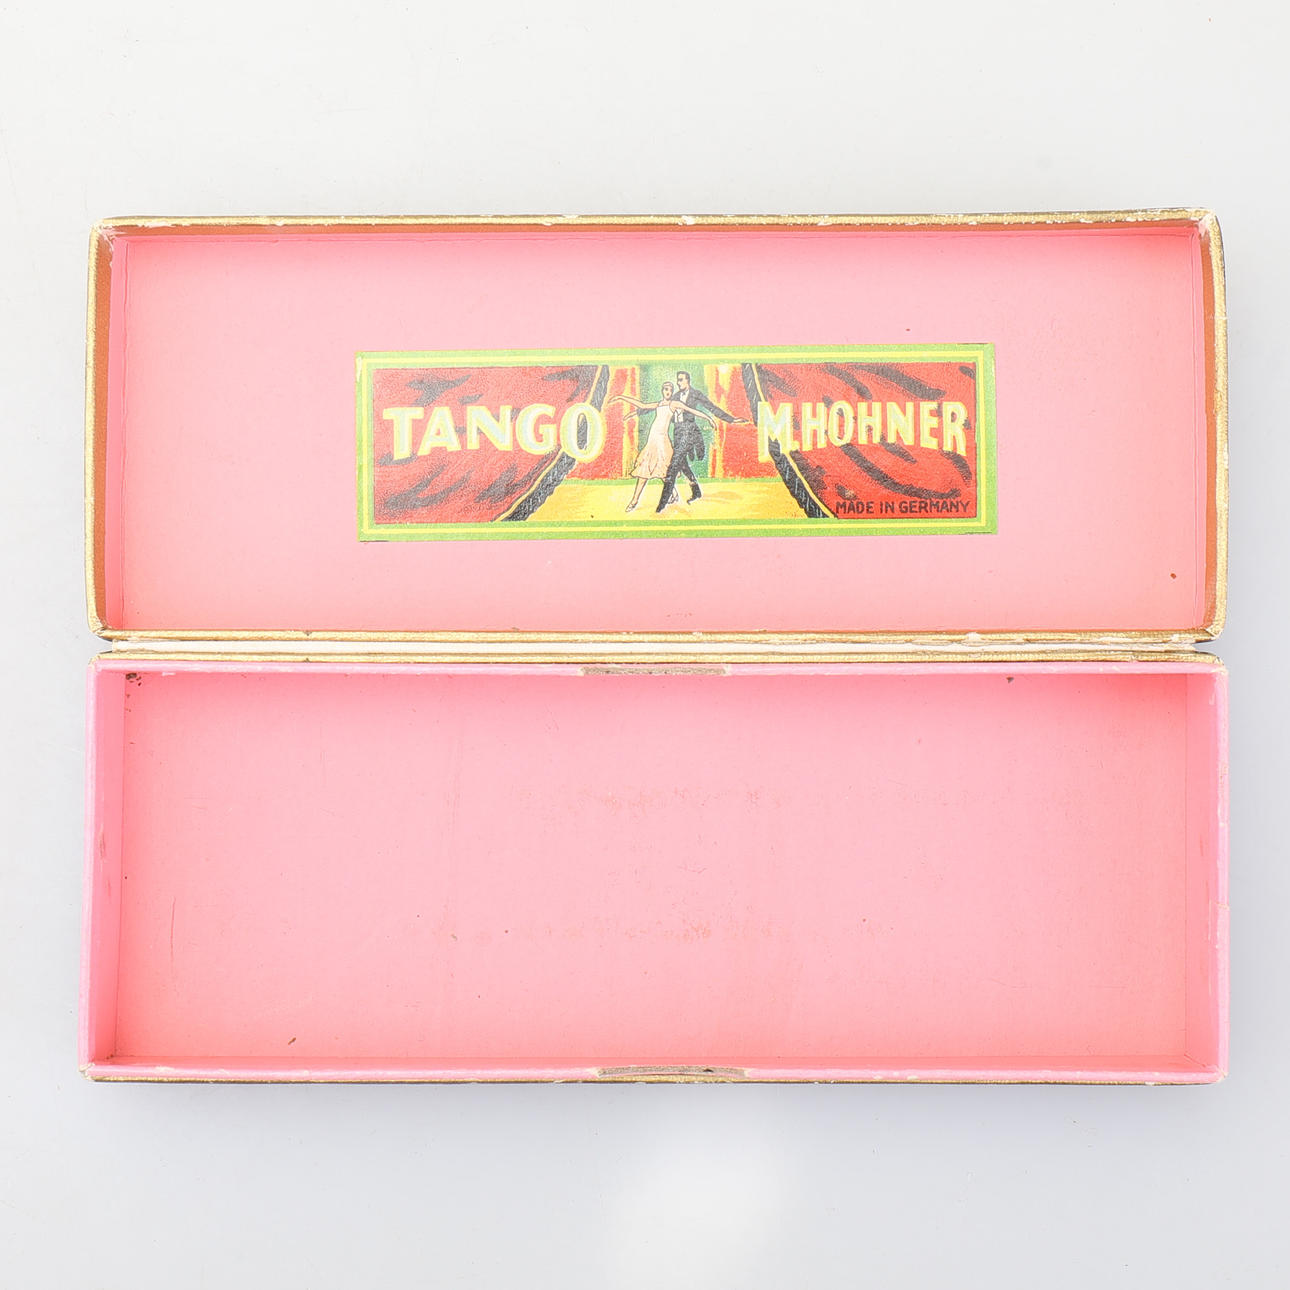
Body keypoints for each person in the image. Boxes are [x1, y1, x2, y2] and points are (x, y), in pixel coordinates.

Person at [613, 382, 717, 512]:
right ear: (662, 391)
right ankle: (672, 494)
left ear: (672, 392)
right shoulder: (658, 404)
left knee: (663, 471)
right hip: (652, 440)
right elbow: (642, 405)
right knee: (647, 471)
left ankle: (635, 501)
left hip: (662, 441)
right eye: (666, 389)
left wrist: (708, 418)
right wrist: (621, 397)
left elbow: (692, 410)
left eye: (670, 390)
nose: (668, 392)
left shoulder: (674, 404)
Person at [655, 370, 741, 512]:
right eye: (678, 380)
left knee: (673, 466)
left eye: (681, 380)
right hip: (677, 432)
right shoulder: (675, 396)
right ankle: (696, 491)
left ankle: (661, 505)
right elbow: (663, 410)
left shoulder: (696, 394)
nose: (678, 383)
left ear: (687, 380)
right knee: (682, 464)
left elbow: (711, 407)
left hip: (689, 432)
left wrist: (730, 419)